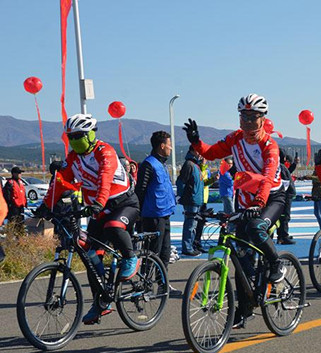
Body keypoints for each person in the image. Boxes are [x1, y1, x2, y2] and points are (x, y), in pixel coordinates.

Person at [183, 93, 286, 328]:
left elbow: (269, 177)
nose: (248, 121)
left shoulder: (269, 145)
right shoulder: (235, 139)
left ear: (262, 118)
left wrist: (259, 203)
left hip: (272, 197)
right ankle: (245, 309)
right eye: (244, 116)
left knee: (255, 227)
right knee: (239, 254)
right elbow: (210, 153)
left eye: (253, 116)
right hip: (246, 199)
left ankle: (276, 263)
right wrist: (196, 141)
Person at [39, 113, 140, 325]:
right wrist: (45, 207)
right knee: (90, 256)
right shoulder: (73, 158)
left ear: (91, 134)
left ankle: (131, 258)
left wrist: (97, 204)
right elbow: (61, 183)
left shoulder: (105, 152)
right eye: (71, 136)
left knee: (113, 226)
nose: (74, 140)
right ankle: (101, 301)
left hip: (123, 204)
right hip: (99, 209)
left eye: (79, 135)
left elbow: (104, 179)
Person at [135, 131, 178, 272]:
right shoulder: (148, 164)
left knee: (165, 253)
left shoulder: (163, 165)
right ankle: (144, 286)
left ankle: (162, 285)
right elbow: (140, 190)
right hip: (153, 216)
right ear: (162, 146)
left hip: (165, 214)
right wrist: (138, 216)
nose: (171, 148)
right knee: (152, 253)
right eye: (169, 145)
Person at [176, 145, 204, 257]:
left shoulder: (196, 165)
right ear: (193, 150)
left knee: (193, 225)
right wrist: (181, 196)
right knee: (190, 225)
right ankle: (187, 247)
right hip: (191, 200)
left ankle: (190, 246)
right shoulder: (189, 165)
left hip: (196, 200)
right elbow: (181, 182)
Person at [193, 157, 217, 253]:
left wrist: (213, 179)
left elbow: (205, 183)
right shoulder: (197, 168)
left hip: (204, 199)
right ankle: (193, 244)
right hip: (198, 199)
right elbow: (200, 182)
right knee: (196, 224)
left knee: (201, 223)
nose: (204, 159)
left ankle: (198, 243)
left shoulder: (206, 169)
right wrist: (202, 166)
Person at [302, 158, 321, 229]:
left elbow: (320, 178)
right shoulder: (317, 169)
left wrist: (309, 177)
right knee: (316, 212)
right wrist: (306, 177)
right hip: (316, 193)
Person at [277, 149, 296, 245]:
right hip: (285, 196)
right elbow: (286, 180)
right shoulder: (281, 167)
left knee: (282, 217)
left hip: (283, 195)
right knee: (285, 216)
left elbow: (288, 172)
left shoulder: (279, 167)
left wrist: (294, 165)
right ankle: (283, 236)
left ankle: (282, 235)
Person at [2, 167, 27, 233]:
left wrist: (25, 203)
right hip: (13, 207)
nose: (20, 174)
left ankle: (20, 236)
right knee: (13, 223)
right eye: (19, 173)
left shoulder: (20, 182)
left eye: (20, 173)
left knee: (21, 223)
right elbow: (6, 196)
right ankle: (11, 236)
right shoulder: (10, 183)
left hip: (21, 207)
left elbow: (23, 194)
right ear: (14, 174)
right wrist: (9, 205)